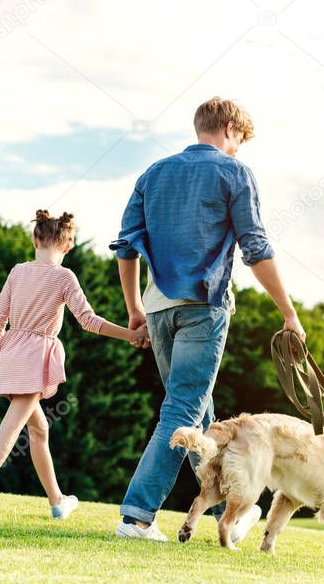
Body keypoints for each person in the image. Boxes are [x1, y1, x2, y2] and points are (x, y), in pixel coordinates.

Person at [110, 97, 306, 541]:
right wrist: (288, 312)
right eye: (241, 141)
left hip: (158, 308)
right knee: (181, 408)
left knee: (202, 413)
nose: (239, 150)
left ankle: (232, 511)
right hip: (204, 307)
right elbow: (255, 246)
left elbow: (125, 247)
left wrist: (134, 308)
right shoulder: (234, 172)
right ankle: (136, 516)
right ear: (231, 130)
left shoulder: (153, 173)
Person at [0, 210, 148, 518]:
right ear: (68, 244)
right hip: (33, 359)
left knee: (39, 430)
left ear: (35, 238)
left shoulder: (17, 271)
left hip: (10, 353)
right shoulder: (64, 276)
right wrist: (130, 335)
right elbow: (88, 321)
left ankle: (57, 501)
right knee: (11, 428)